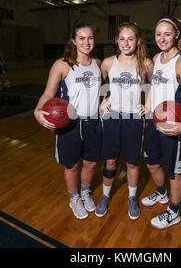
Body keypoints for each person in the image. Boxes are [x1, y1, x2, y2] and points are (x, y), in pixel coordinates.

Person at [34, 23, 102, 219]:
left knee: (90, 163)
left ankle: (86, 192)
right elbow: (48, 93)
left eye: (90, 38)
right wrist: (37, 110)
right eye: (81, 38)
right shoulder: (62, 64)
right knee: (72, 165)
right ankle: (74, 198)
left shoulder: (97, 63)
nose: (86, 42)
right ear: (73, 40)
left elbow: (101, 92)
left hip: (93, 122)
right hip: (69, 124)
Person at [142, 17, 181, 229]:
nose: (162, 38)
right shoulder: (156, 58)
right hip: (155, 123)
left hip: (175, 126)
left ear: (176, 35)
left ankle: (174, 212)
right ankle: (161, 193)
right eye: (158, 34)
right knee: (151, 162)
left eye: (167, 34)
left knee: (174, 171)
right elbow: (152, 86)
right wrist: (147, 106)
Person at [95, 22, 153, 219]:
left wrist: (149, 105)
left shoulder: (145, 63)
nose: (126, 43)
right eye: (122, 38)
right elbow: (103, 84)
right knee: (110, 162)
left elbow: (152, 86)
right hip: (112, 118)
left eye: (130, 38)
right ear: (116, 41)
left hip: (133, 120)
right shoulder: (108, 63)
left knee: (132, 163)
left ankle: (132, 198)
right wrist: (103, 101)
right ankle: (105, 196)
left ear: (137, 41)